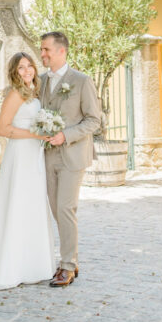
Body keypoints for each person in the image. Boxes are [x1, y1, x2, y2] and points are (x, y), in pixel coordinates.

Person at [0, 52, 55, 290]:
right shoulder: (15, 94)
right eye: (21, 68)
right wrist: (35, 134)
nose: (27, 71)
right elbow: (3, 129)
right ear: (14, 73)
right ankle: (13, 266)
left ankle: (34, 265)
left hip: (34, 156)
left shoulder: (34, 93)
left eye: (29, 66)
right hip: (19, 156)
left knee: (33, 206)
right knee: (18, 205)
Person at [39, 31, 101, 287]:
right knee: (56, 210)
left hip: (72, 156)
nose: (42, 54)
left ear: (61, 51)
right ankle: (70, 259)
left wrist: (67, 135)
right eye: (41, 50)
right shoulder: (40, 81)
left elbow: (94, 120)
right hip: (46, 157)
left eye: (46, 50)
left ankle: (67, 266)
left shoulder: (82, 81)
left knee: (65, 208)